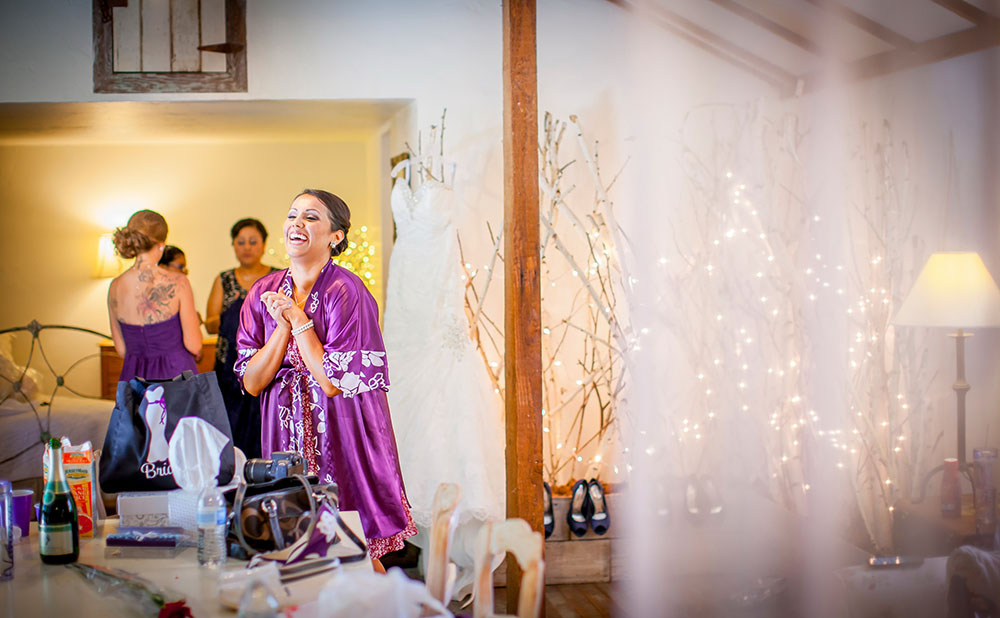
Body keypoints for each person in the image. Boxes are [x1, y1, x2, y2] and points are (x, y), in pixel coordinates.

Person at [235, 189, 415, 572]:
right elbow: (251, 382)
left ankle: (382, 601)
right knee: (294, 547)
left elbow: (332, 381)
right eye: (292, 214)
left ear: (336, 236)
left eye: (311, 217)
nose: (297, 223)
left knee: (354, 549)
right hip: (283, 431)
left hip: (341, 430)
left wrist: (299, 320)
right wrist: (282, 327)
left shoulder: (346, 291)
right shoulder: (263, 293)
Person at [204, 219, 277, 459]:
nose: (247, 247)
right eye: (241, 242)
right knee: (229, 427)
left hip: (269, 366)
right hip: (229, 368)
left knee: (265, 427)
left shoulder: (277, 277)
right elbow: (210, 324)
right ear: (233, 245)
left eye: (253, 242)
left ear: (263, 245)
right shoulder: (224, 279)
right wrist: (235, 316)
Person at [108, 210, 202, 381]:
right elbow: (194, 345)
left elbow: (121, 350)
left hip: (135, 377)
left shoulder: (115, 286)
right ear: (161, 244)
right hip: (175, 377)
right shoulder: (179, 282)